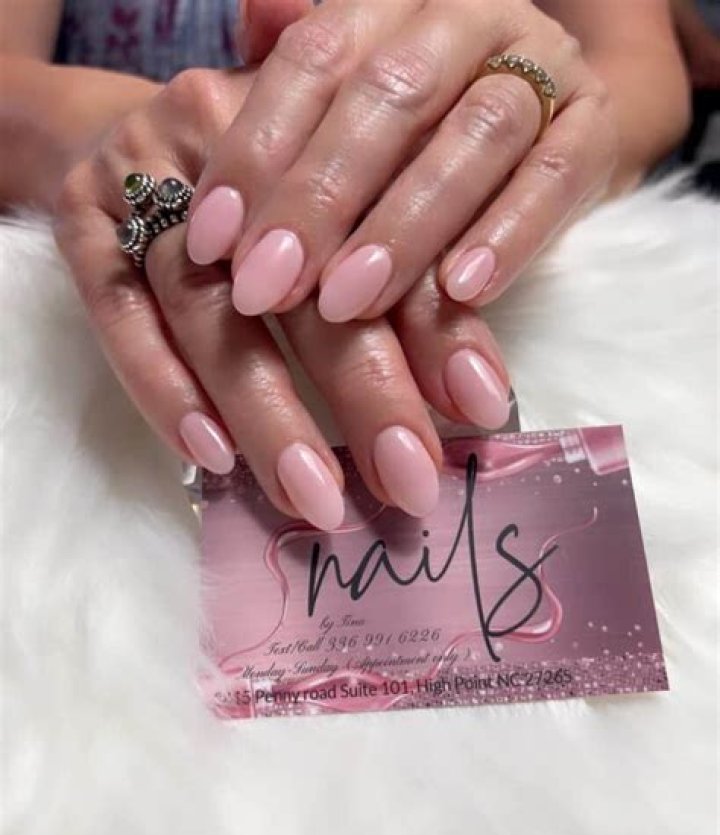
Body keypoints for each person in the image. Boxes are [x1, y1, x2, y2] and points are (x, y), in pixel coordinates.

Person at [0, 0, 690, 530]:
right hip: (109, 321)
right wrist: (158, 134)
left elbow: (641, 66)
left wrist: (536, 109)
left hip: (548, 310)